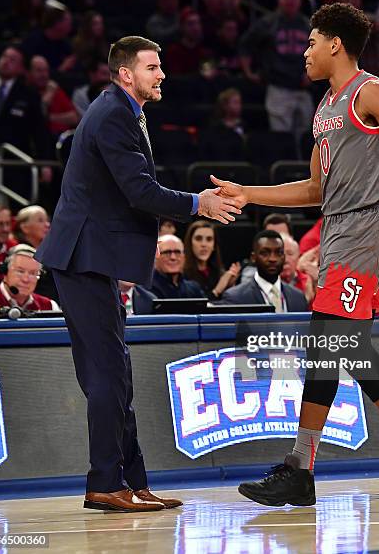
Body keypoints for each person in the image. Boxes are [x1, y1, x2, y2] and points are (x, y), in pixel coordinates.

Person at [212, 2, 379, 506]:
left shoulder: (370, 91)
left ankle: (303, 468)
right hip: (337, 231)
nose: (303, 51)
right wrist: (249, 192)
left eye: (310, 42)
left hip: (368, 229)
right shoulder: (324, 109)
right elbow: (314, 189)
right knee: (336, 349)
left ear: (334, 44)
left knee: (331, 344)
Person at [35, 35, 240, 513]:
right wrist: (198, 203)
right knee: (107, 374)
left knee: (115, 373)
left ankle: (130, 480)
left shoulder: (124, 112)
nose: (162, 73)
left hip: (92, 259)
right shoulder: (112, 115)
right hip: (82, 258)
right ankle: (106, 482)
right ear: (126, 73)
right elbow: (139, 191)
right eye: (153, 66)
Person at [239, 0, 313, 148]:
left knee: (305, 138)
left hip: (302, 89)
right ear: (279, 0)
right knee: (281, 138)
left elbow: (320, 52)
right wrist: (249, 72)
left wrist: (312, 74)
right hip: (278, 88)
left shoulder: (307, 25)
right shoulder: (268, 23)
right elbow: (245, 44)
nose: (290, 1)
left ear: (300, 1)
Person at [220, 230, 308, 311]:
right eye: (265, 253)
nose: (272, 259)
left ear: (284, 257)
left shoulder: (298, 297)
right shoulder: (235, 297)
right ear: (253, 258)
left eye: (278, 253)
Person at [0, 244, 59, 311]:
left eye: (32, 273)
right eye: (20, 271)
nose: (26, 279)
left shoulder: (50, 306)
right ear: (5, 271)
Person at [183, 220, 240, 299]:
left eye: (209, 239)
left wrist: (230, 286)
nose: (204, 244)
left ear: (214, 246)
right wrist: (217, 290)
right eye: (198, 239)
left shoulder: (219, 272)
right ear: (190, 243)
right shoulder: (181, 273)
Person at [27, 55, 78, 137]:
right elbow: (35, 121)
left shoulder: (54, 89)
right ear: (29, 72)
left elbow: (74, 118)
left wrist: (49, 118)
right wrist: (44, 103)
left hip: (61, 138)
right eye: (39, 71)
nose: (44, 75)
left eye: (46, 71)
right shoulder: (24, 92)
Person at [150, 234, 206, 299]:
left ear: (184, 257)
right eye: (167, 252)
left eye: (177, 252)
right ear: (155, 257)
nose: (173, 257)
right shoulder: (144, 290)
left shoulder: (194, 289)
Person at [280, 233, 314, 305]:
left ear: (298, 257)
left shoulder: (309, 282)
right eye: (281, 254)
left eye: (290, 254)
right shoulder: (269, 284)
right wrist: (304, 301)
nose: (285, 260)